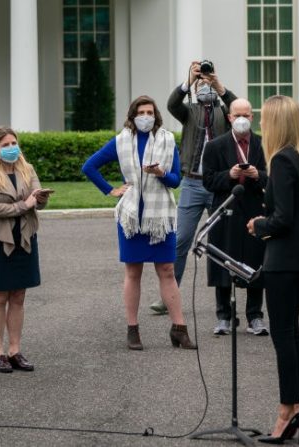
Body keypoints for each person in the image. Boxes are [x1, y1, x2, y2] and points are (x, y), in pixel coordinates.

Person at [82, 95, 196, 350]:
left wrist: (161, 174)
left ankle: (179, 329)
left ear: (156, 115)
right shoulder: (122, 140)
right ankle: (132, 330)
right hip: (131, 217)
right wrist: (110, 189)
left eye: (150, 112)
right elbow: (89, 167)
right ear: (133, 116)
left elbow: (176, 180)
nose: (146, 116)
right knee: (133, 272)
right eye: (141, 112)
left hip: (160, 216)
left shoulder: (167, 140)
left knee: (167, 270)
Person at [247, 96, 299, 443]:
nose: (260, 124)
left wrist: (260, 224)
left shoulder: (282, 162)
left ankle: (286, 410)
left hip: (284, 258)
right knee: (289, 333)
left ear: (276, 123)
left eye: (264, 119)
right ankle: (295, 407)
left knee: (283, 337)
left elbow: (284, 219)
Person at [149, 60, 238, 315]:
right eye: (201, 83)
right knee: (180, 241)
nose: (204, 85)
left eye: (206, 82)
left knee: (223, 243)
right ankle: (169, 296)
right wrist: (189, 81)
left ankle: (226, 303)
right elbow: (171, 105)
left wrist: (218, 85)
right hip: (192, 184)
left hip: (219, 184)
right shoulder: (189, 111)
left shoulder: (225, 112)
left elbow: (239, 110)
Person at [0, 126, 50, 373]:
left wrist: (40, 199)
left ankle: (15, 350)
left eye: (13, 143)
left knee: (19, 296)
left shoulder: (26, 169)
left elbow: (37, 201)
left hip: (25, 240)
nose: (11, 148)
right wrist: (24, 205)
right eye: (5, 145)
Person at [201, 98, 268, 336]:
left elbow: (272, 178)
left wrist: (257, 174)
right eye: (236, 114)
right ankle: (224, 317)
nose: (241, 119)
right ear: (229, 117)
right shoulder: (215, 146)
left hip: (254, 209)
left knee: (255, 261)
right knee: (222, 261)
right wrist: (228, 175)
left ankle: (255, 316)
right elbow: (208, 181)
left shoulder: (263, 144)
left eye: (246, 115)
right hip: (225, 209)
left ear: (252, 117)